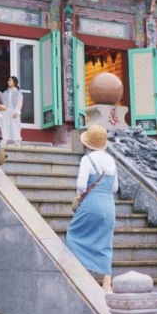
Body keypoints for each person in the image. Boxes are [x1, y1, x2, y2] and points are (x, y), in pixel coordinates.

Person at [66, 125, 118, 292]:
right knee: (105, 241)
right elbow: (115, 188)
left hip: (91, 202)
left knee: (74, 234)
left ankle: (81, 274)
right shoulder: (111, 160)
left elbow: (81, 186)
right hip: (109, 205)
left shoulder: (87, 160)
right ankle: (107, 285)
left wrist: (81, 195)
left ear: (88, 143)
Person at [0, 76, 24, 146]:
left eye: (10, 80)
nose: (8, 82)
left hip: (13, 111)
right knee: (4, 125)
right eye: (8, 80)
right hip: (5, 111)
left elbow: (19, 103)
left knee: (15, 125)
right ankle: (4, 139)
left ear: (14, 82)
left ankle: (16, 140)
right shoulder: (5, 92)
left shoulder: (18, 93)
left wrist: (16, 112)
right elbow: (2, 102)